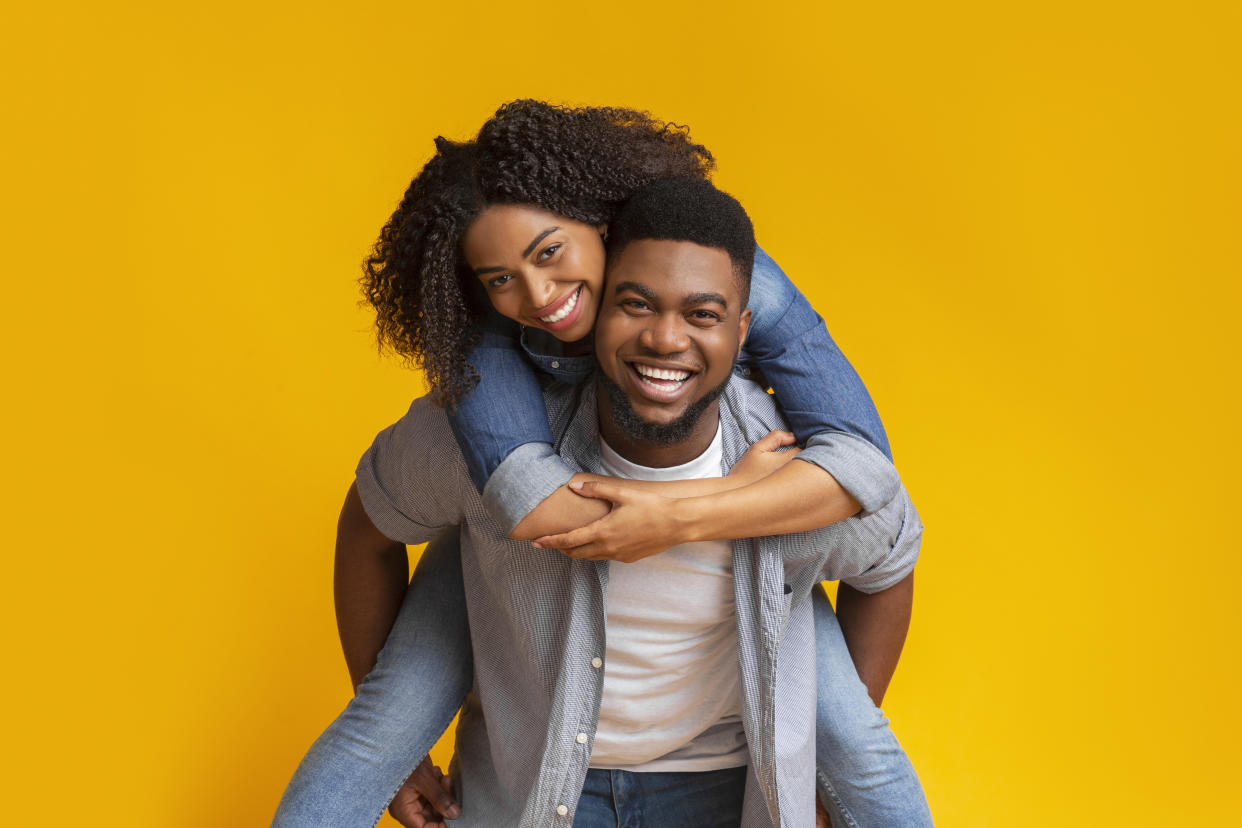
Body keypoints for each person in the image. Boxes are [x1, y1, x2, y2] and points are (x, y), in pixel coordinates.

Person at [274, 102, 931, 826]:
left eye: (551, 254)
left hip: (716, 777)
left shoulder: (771, 441)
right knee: (377, 732)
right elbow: (514, 504)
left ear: (606, 231)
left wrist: (695, 513)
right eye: (500, 279)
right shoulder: (477, 388)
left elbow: (873, 486)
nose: (539, 296)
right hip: (520, 729)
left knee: (860, 752)